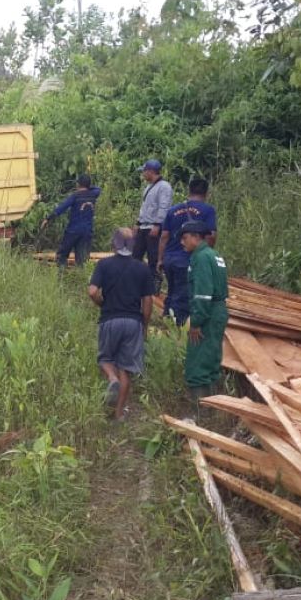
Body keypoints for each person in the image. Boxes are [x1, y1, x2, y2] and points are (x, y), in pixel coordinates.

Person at [88, 227, 155, 421]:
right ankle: (118, 415)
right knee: (126, 368)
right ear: (133, 246)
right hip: (133, 322)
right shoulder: (142, 268)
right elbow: (148, 301)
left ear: (113, 244)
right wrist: (145, 325)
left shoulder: (104, 265)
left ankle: (112, 378)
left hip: (110, 319)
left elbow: (92, 291)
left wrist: (102, 303)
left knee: (105, 359)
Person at [181, 220, 229, 414]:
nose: (182, 243)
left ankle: (202, 413)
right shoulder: (214, 255)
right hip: (217, 311)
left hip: (207, 314)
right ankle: (213, 408)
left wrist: (196, 322)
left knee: (198, 362)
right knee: (211, 360)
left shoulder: (200, 258)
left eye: (184, 238)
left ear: (195, 236)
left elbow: (202, 294)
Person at [157, 178, 218, 326]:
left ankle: (166, 319)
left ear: (189, 191)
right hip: (187, 260)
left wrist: (160, 259)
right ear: (206, 193)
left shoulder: (173, 210)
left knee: (171, 291)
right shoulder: (207, 210)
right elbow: (211, 236)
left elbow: (164, 236)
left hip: (170, 258)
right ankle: (177, 327)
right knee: (183, 295)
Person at [40, 174, 101, 271]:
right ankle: (80, 279)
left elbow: (61, 208)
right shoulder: (94, 194)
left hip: (73, 231)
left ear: (78, 184)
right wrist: (89, 187)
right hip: (87, 232)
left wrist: (48, 219)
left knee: (62, 255)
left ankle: (61, 276)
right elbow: (98, 188)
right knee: (82, 259)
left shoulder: (75, 196)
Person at [131, 159, 174, 288]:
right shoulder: (149, 187)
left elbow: (164, 207)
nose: (143, 174)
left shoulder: (164, 186)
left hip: (154, 227)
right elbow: (144, 208)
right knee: (135, 255)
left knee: (153, 257)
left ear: (150, 171)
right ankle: (136, 281)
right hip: (144, 226)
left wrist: (158, 224)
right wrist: (138, 223)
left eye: (144, 171)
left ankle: (154, 283)